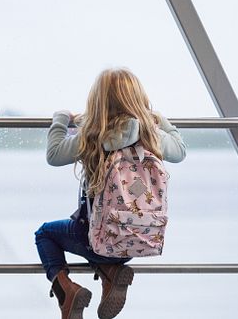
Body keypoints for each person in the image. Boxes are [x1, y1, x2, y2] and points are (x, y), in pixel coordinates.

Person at [35, 68, 186, 319]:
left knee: (45, 234)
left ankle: (66, 290)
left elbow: (54, 155)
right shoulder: (151, 134)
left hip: (95, 237)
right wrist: (159, 119)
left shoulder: (93, 135)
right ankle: (111, 272)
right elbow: (179, 150)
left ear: (97, 102)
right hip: (138, 239)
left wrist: (61, 119)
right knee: (112, 236)